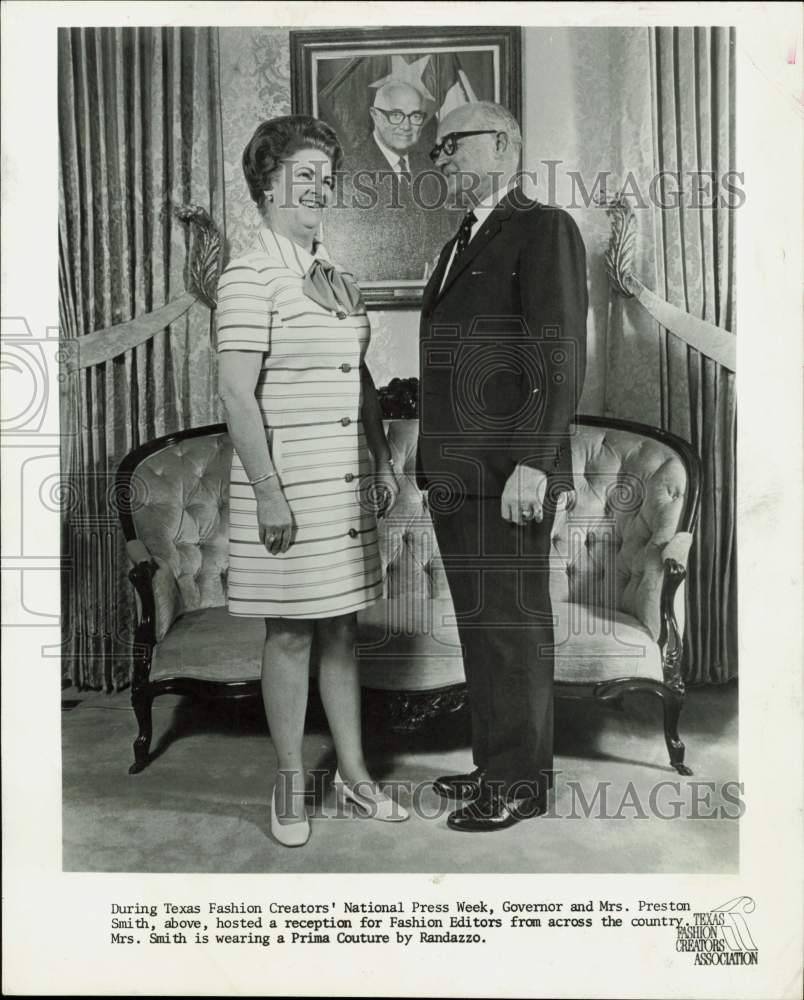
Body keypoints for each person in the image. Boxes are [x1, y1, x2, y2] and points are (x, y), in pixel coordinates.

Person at [216, 115, 409, 847]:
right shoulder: (249, 275)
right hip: (286, 481)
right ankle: (291, 783)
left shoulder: (333, 274)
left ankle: (356, 776)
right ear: (267, 186)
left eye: (326, 180)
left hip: (343, 481)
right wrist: (267, 491)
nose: (318, 191)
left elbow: (356, 377)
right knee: (291, 632)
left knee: (341, 630)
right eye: (305, 177)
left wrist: (382, 459)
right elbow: (237, 394)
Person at [417, 101, 588, 832]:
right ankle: (500, 767)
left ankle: (519, 783)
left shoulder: (543, 227)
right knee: (484, 629)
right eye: (439, 149)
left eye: (456, 143)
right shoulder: (461, 240)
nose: (443, 157)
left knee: (511, 628)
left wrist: (532, 463)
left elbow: (558, 356)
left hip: (507, 475)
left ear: (505, 144)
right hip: (457, 475)